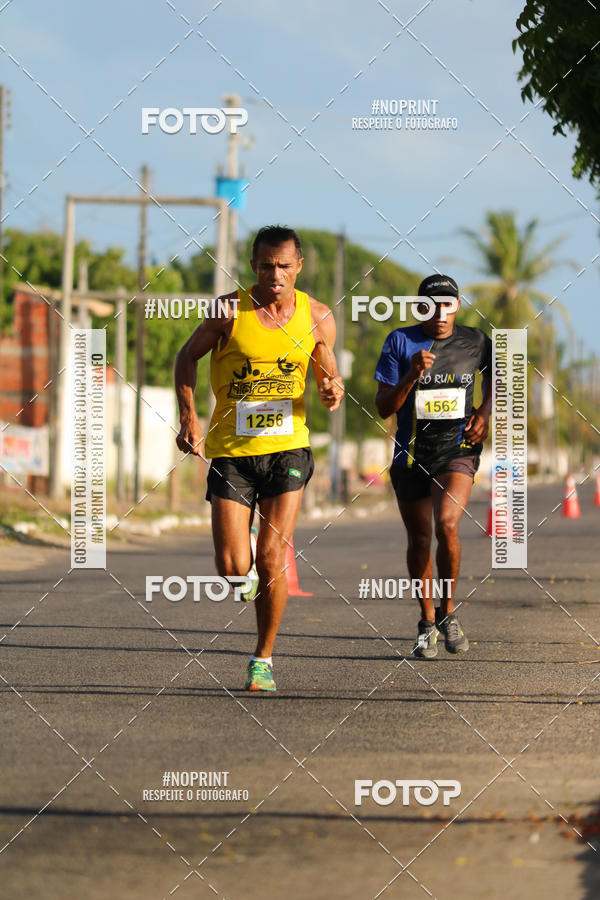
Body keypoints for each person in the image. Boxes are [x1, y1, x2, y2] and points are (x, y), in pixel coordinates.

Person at [175, 225, 344, 691]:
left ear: (299, 267)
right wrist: (189, 417)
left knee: (272, 559)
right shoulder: (228, 310)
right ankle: (242, 559)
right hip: (232, 451)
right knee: (233, 567)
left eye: (285, 266)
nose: (276, 275)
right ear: (253, 267)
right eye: (267, 266)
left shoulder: (317, 315)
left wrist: (332, 388)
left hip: (289, 448)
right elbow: (186, 358)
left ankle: (262, 658)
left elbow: (328, 369)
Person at [375, 274, 492, 659]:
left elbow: (502, 375)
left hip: (456, 449)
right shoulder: (400, 341)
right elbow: (383, 406)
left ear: (457, 306)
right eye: (430, 304)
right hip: (410, 452)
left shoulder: (475, 341)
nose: (440, 312)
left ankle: (449, 612)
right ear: (418, 307)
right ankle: (427, 621)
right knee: (421, 539)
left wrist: (485, 413)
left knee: (447, 524)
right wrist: (411, 375)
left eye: (447, 304)